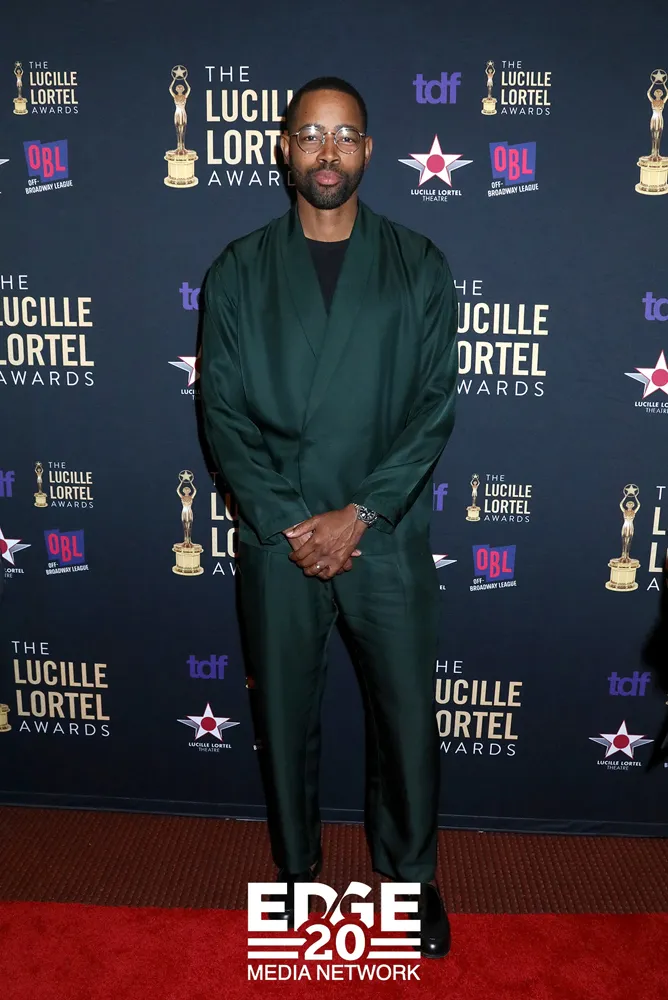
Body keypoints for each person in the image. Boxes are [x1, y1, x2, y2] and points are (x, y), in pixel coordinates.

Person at [200, 76, 458, 959]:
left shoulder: (418, 263)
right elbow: (222, 413)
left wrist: (363, 512)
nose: (327, 152)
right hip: (281, 540)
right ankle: (296, 873)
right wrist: (290, 521)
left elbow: (433, 407)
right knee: (284, 717)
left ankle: (411, 879)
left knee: (406, 719)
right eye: (310, 134)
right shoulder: (238, 269)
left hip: (384, 533)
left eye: (345, 136)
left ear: (369, 152)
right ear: (284, 148)